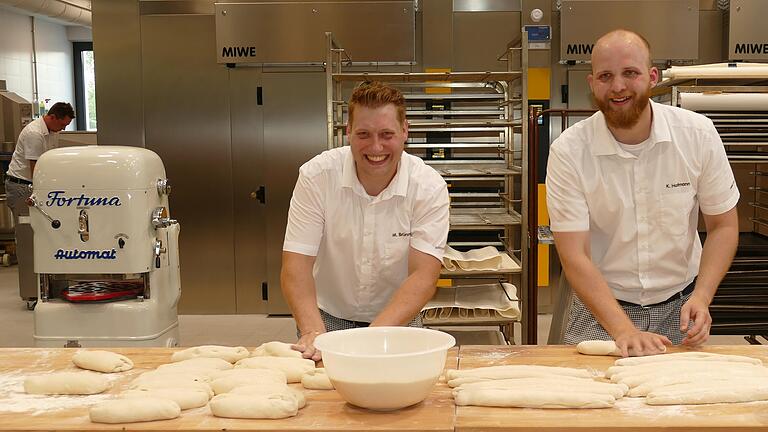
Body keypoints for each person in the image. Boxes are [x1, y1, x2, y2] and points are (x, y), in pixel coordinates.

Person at [546, 30, 739, 357]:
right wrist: (623, 330)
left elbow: (723, 225)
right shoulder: (569, 151)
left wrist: (702, 297)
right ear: (592, 84)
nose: (618, 86)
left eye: (630, 73)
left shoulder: (697, 135)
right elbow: (573, 253)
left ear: (652, 77)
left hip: (680, 309)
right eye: (606, 76)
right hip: (600, 309)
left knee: (676, 403)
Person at [280, 82, 450, 360]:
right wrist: (312, 330)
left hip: (400, 320)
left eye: (387, 134)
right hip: (326, 319)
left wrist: (369, 341)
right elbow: (296, 265)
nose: (376, 147)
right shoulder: (317, 177)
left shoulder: (428, 187)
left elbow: (423, 276)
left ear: (405, 131)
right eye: (363, 134)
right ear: (347, 131)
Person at [5, 102, 74, 302]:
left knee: (47, 234)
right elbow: (36, 170)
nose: (64, 129)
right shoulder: (34, 134)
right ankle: (32, 290)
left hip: (34, 185)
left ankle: (50, 283)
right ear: (52, 117)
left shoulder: (52, 132)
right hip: (23, 187)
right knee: (30, 237)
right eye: (63, 124)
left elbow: (50, 162)